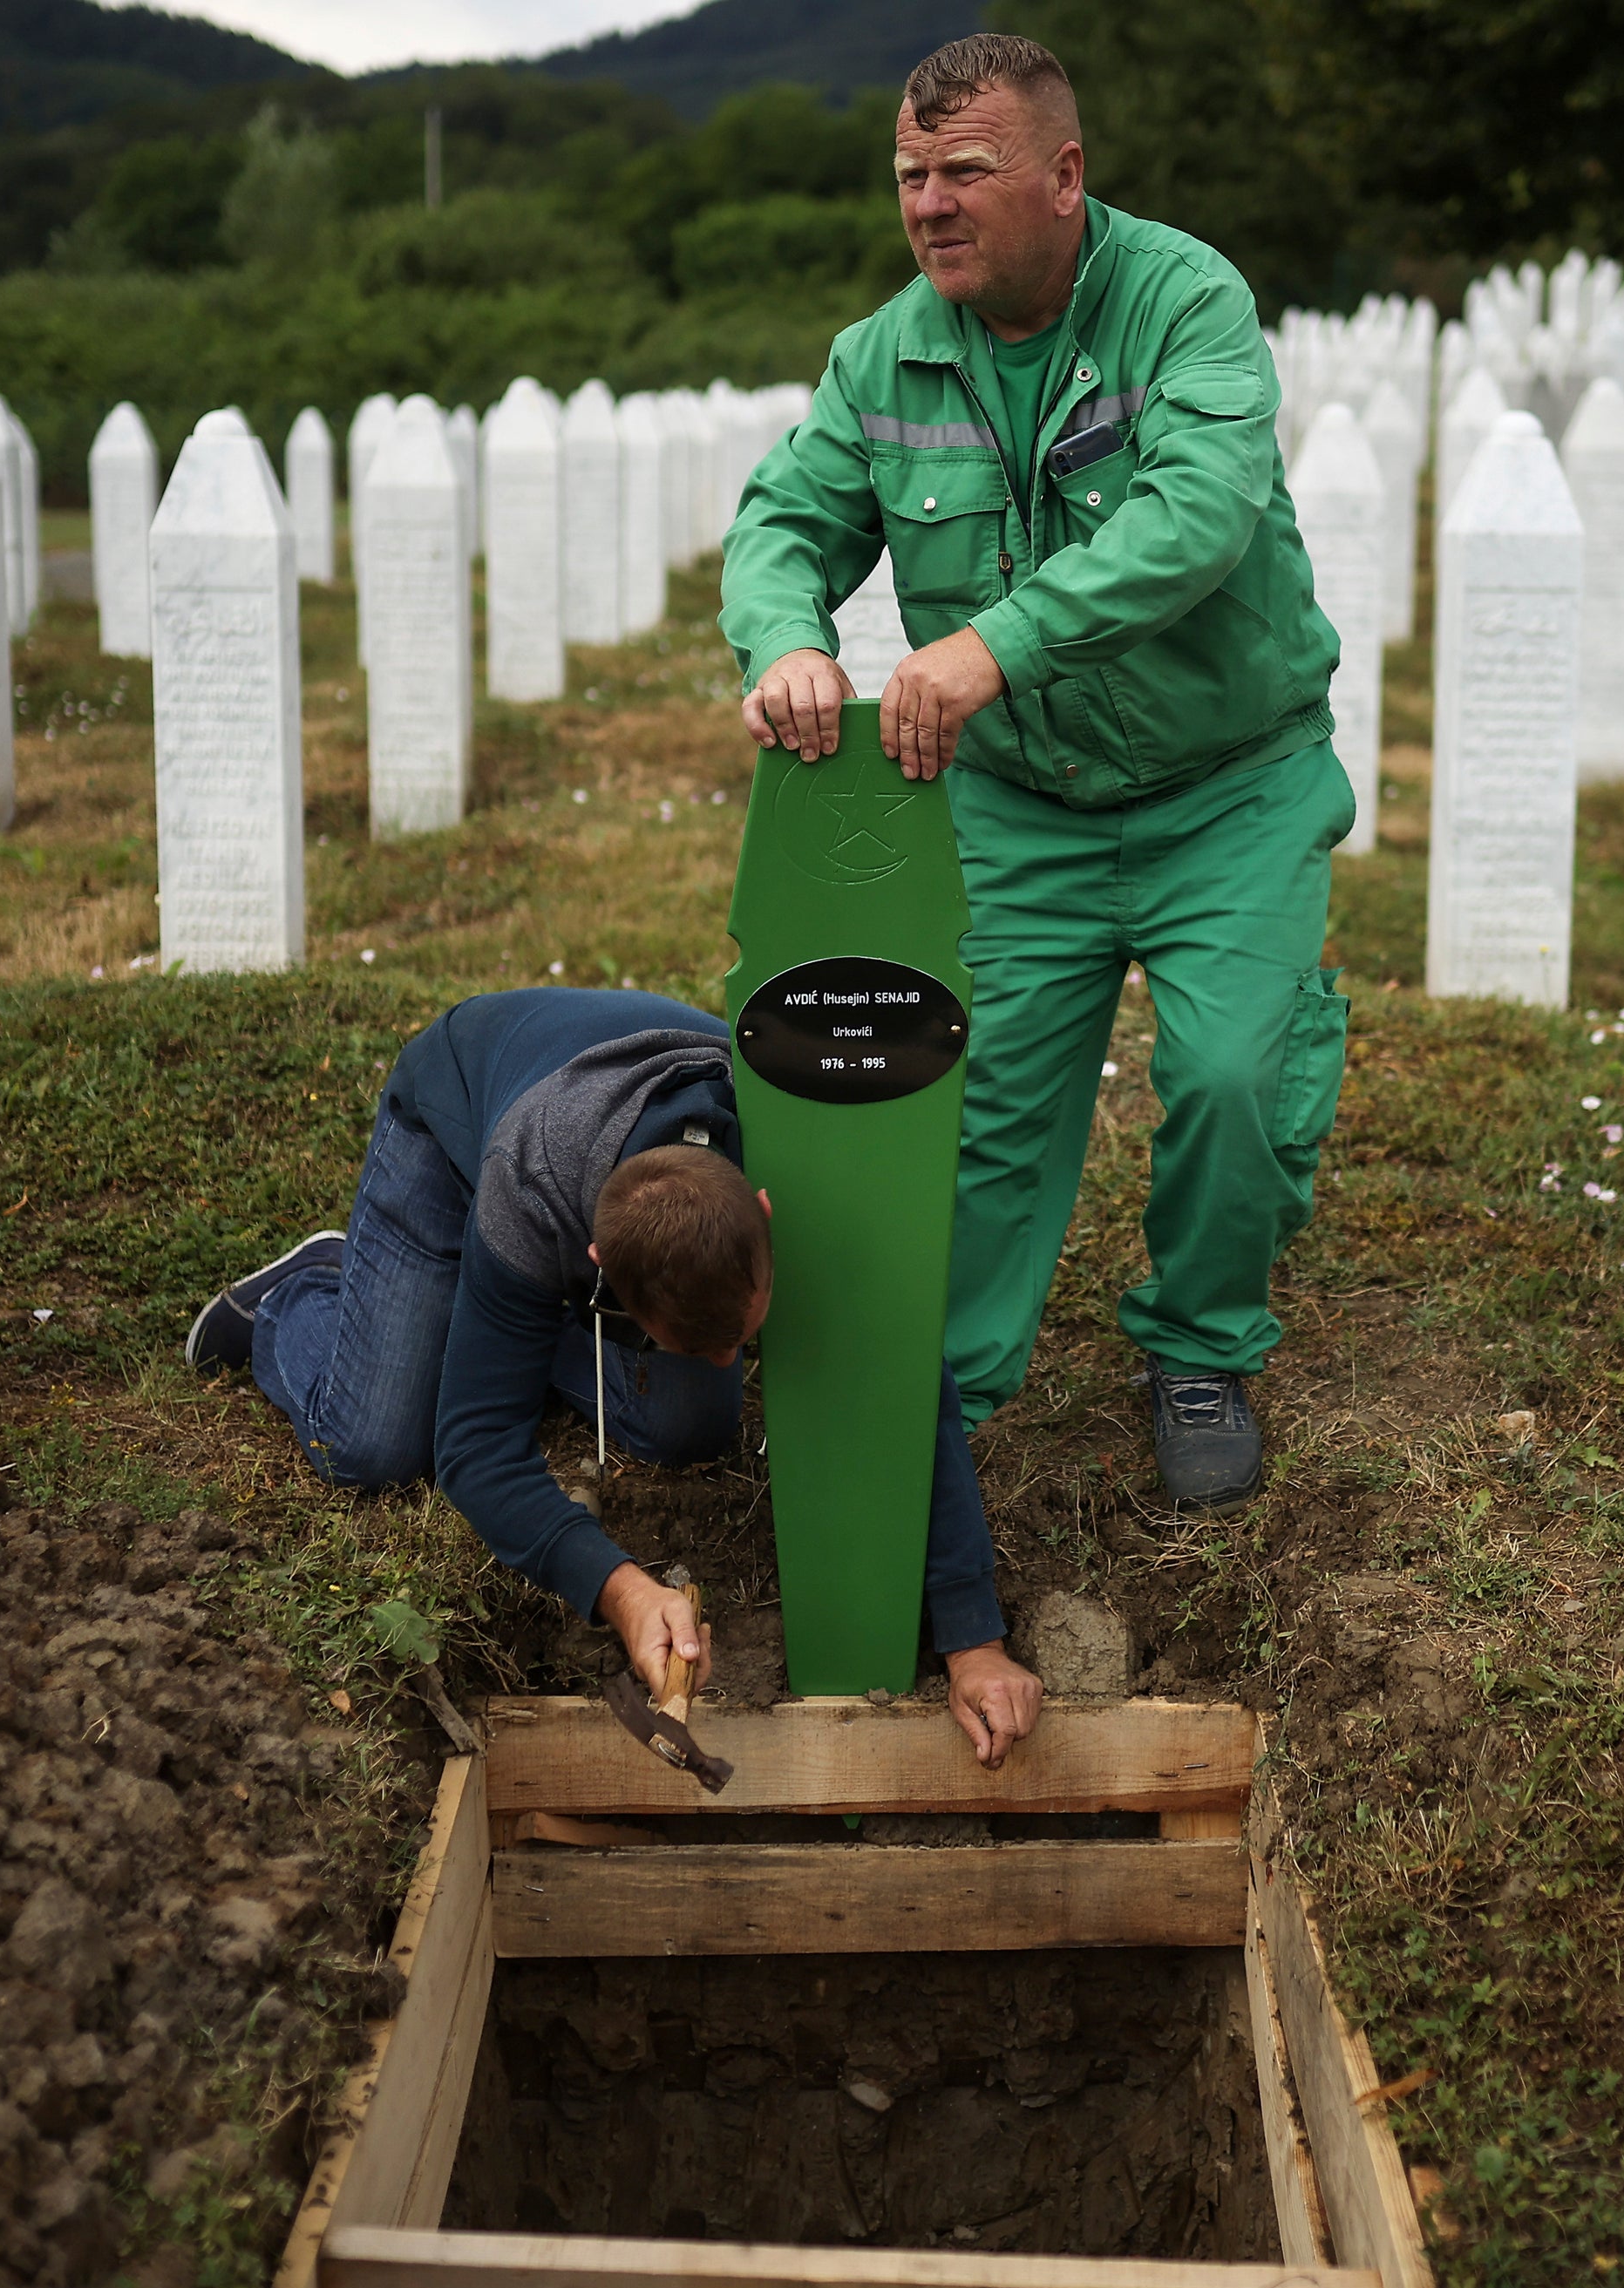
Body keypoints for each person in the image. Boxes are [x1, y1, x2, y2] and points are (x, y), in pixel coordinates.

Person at [718, 32, 1351, 1513]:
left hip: (1229, 780)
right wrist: (783, 641)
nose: (929, 203)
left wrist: (992, 643)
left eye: (965, 171)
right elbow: (785, 522)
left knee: (1228, 1075)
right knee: (981, 1102)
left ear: (1064, 177)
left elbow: (1200, 512)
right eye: (908, 176)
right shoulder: (880, 359)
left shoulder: (1183, 304)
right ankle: (949, 1381)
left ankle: (1199, 1344)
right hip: (1021, 802)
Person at [185, 983, 1044, 1766]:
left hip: (610, 1138)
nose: (727, 1365)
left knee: (687, 1428)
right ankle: (302, 1297)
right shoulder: (529, 1181)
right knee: (373, 1444)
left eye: (738, 1340)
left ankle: (483, 1329)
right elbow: (476, 1448)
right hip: (450, 1136)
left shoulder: (804, 1154)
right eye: (696, 1343)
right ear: (599, 1271)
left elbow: (906, 1382)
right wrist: (621, 1591)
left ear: (765, 1216)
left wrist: (973, 1639)